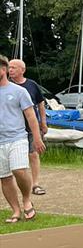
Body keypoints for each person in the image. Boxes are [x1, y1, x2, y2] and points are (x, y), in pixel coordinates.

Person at [0, 54, 45, 222]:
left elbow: (31, 115)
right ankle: (16, 211)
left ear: (3, 70)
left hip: (17, 137)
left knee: (19, 170)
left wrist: (38, 138)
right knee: (4, 178)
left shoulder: (19, 91)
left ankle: (26, 199)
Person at [8, 58, 48, 195]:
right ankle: (13, 184)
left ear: (22, 70)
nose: (10, 70)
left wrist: (43, 122)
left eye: (13, 67)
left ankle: (35, 184)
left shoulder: (32, 85)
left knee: (33, 154)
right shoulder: (5, 86)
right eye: (9, 67)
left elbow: (40, 104)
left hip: (31, 126)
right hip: (12, 128)